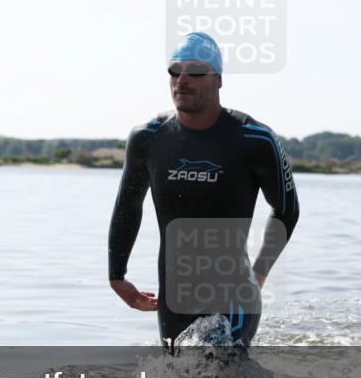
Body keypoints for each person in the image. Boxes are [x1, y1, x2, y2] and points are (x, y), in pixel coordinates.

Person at [108, 31, 300, 354]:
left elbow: (287, 209)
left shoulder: (254, 139)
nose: (182, 80)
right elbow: (129, 204)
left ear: (218, 80)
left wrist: (261, 271)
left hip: (235, 295)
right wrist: (117, 275)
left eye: (196, 71)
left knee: (208, 369)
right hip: (174, 299)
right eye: (175, 71)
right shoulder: (148, 139)